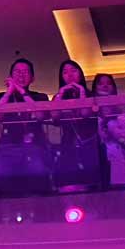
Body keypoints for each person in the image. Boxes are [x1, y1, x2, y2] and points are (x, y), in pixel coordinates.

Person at [0, 58, 51, 195]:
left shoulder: (40, 97)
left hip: (35, 147)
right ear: (10, 76)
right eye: (17, 71)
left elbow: (39, 115)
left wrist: (22, 91)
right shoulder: (2, 96)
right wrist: (10, 91)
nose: (21, 75)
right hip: (7, 147)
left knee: (38, 171)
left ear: (32, 78)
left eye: (25, 72)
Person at [52, 60, 100, 191]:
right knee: (69, 187)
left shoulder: (91, 95)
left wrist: (81, 91)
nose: (70, 75)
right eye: (65, 72)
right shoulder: (59, 97)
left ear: (80, 73)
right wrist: (61, 93)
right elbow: (55, 116)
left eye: (73, 70)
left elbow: (85, 113)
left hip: (89, 145)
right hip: (68, 145)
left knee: (90, 187)